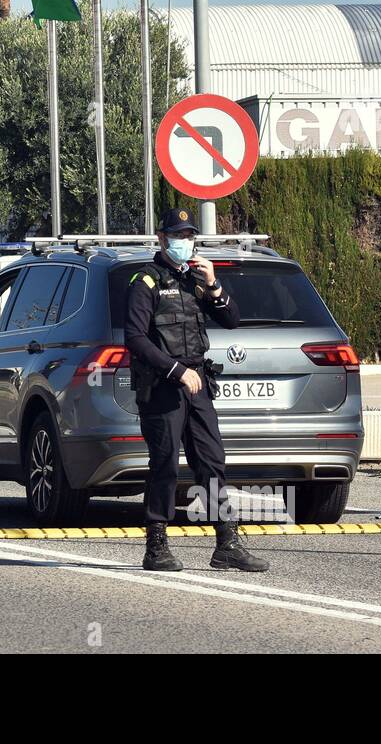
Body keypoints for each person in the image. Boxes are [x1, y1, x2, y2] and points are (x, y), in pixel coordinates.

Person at [124, 209, 269, 573]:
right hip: (162, 387)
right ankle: (156, 547)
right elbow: (135, 339)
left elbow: (231, 320)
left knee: (211, 461)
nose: (184, 242)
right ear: (161, 239)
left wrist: (215, 285)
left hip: (198, 384)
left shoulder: (194, 279)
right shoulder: (146, 282)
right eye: (177, 235)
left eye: (189, 235)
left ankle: (226, 544)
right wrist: (176, 370)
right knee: (165, 466)